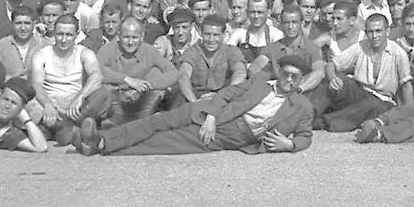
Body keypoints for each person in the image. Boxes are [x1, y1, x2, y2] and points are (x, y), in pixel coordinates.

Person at [73, 55, 314, 156]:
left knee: (167, 141)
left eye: (295, 77)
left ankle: (101, 146)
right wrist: (210, 116)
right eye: (286, 74)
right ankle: (98, 138)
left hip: (235, 134)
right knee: (159, 121)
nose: (289, 80)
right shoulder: (261, 81)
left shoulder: (302, 106)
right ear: (280, 72)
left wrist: (289, 144)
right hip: (212, 110)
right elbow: (228, 93)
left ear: (301, 80)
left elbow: (306, 136)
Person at [320, 14, 413, 132]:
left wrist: (409, 113)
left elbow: (406, 85)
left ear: (387, 31)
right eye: (370, 32)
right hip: (360, 93)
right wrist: (333, 77)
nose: (374, 36)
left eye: (378, 31)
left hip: (383, 101)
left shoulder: (398, 53)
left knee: (371, 105)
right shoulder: (360, 47)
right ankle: (307, 114)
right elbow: (331, 64)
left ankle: (324, 122)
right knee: (336, 78)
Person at [29, 15, 107, 144]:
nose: (64, 40)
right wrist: (48, 105)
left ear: (77, 35)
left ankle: (59, 128)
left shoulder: (85, 53)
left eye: (69, 35)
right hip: (50, 102)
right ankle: (67, 129)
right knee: (29, 102)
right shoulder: (42, 54)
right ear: (54, 33)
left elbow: (97, 76)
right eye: (60, 34)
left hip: (75, 106)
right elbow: (36, 84)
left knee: (104, 92)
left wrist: (80, 97)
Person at [94, 17, 180, 127]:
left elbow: (173, 73)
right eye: (126, 37)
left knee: (157, 72)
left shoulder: (149, 51)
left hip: (141, 99)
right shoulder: (109, 49)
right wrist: (127, 80)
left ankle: (142, 118)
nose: (130, 42)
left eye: (134, 38)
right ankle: (116, 118)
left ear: (142, 37)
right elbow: (96, 70)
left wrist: (145, 85)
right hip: (116, 99)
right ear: (119, 35)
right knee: (102, 83)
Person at [173, 15, 247, 108]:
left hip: (223, 96)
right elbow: (183, 76)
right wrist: (194, 102)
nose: (211, 40)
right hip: (195, 96)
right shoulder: (192, 51)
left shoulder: (232, 51)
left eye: (216, 35)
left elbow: (240, 73)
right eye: (207, 34)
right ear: (201, 33)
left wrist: (224, 96)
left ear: (224, 35)